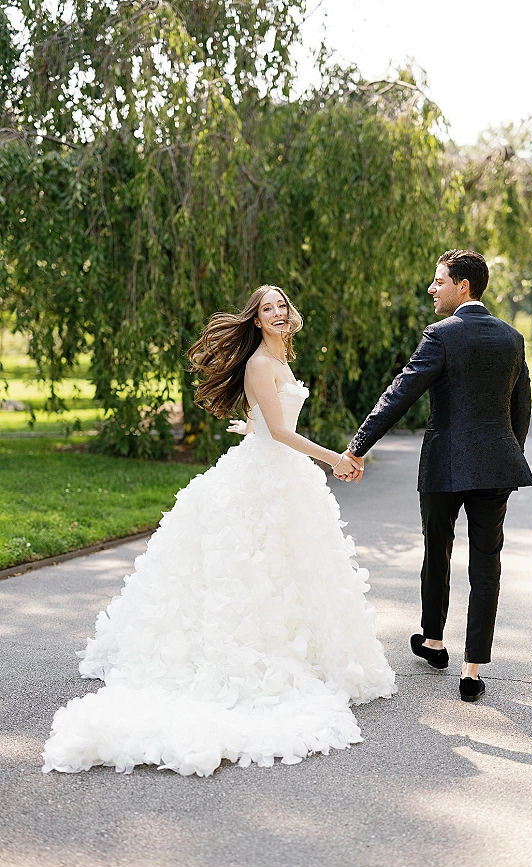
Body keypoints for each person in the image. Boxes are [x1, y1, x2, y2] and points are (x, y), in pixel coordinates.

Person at [42, 285, 396, 777]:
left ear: (290, 315)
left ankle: (299, 649)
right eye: (266, 308)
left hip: (279, 473)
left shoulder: (280, 361)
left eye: (281, 306)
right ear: (255, 319)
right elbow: (283, 432)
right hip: (267, 475)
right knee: (252, 568)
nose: (276, 313)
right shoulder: (258, 363)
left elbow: (268, 421)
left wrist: (251, 426)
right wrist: (335, 457)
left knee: (288, 568)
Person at [340, 250, 532, 702]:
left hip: (445, 465)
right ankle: (471, 671)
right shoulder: (512, 338)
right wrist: (508, 455)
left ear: (462, 285)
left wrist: (356, 447)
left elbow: (400, 394)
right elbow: (519, 409)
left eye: (439, 281)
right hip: (496, 467)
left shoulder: (442, 335)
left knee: (437, 551)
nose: (433, 288)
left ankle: (434, 641)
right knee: (487, 566)